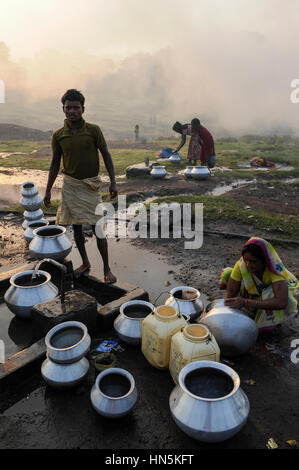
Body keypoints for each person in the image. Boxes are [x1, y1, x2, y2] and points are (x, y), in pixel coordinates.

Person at [44, 89, 118, 283]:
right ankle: (85, 263)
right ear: (63, 109)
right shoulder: (59, 135)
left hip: (91, 186)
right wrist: (48, 191)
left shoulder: (93, 130)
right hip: (71, 185)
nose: (72, 111)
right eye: (68, 107)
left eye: (76, 107)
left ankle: (107, 269)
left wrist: (113, 183)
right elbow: (55, 163)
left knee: (98, 227)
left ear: (83, 109)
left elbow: (106, 155)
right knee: (76, 228)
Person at [221, 237, 299, 332]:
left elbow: (281, 302)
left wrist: (245, 302)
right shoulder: (242, 265)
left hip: (280, 295)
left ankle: (271, 322)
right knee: (228, 274)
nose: (249, 265)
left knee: (270, 293)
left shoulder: (274, 270)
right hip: (257, 295)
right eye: (246, 260)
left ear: (265, 260)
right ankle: (254, 310)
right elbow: (230, 294)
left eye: (254, 261)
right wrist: (225, 312)